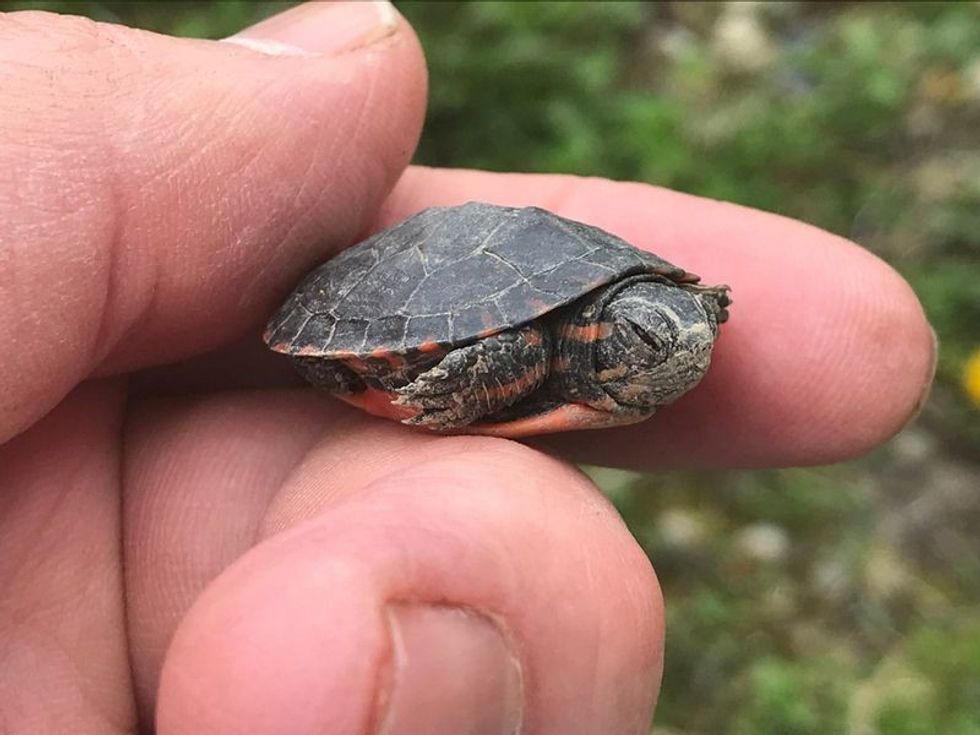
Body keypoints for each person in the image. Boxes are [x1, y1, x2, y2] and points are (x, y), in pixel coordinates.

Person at [0, 2, 935, 733]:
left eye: (693, 328)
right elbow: (505, 342)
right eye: (654, 341)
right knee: (505, 366)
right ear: (601, 340)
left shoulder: (656, 315)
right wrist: (441, 393)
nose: (686, 345)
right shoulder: (539, 347)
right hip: (401, 319)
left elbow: (688, 310)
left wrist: (694, 309)